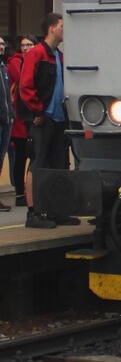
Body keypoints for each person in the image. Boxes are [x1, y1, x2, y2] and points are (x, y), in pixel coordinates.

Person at [20, 13, 77, 229]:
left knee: (59, 164)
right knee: (38, 162)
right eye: (62, 26)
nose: (65, 30)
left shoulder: (58, 56)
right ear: (51, 29)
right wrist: (38, 110)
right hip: (44, 118)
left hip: (59, 117)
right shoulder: (37, 54)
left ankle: (57, 210)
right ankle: (33, 213)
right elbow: (26, 86)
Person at [8, 36, 36, 207]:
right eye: (23, 45)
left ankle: (29, 191)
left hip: (32, 116)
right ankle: (20, 193)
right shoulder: (15, 62)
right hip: (19, 118)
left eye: (29, 45)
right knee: (20, 157)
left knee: (33, 156)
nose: (26, 48)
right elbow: (25, 80)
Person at [0, 38, 12, 212]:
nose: (1, 47)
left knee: (0, 161)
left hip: (6, 120)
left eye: (2, 44)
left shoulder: (3, 67)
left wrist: (11, 115)